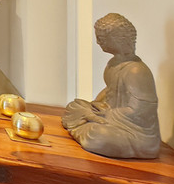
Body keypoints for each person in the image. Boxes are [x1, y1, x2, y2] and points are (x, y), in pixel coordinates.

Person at [62, 13, 161, 159]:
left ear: (118, 39)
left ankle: (85, 127)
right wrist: (95, 105)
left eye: (102, 39)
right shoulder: (112, 64)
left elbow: (142, 110)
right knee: (74, 106)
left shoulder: (137, 71)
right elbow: (109, 89)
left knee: (98, 135)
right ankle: (87, 124)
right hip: (110, 116)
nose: (98, 42)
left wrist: (107, 114)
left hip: (135, 131)